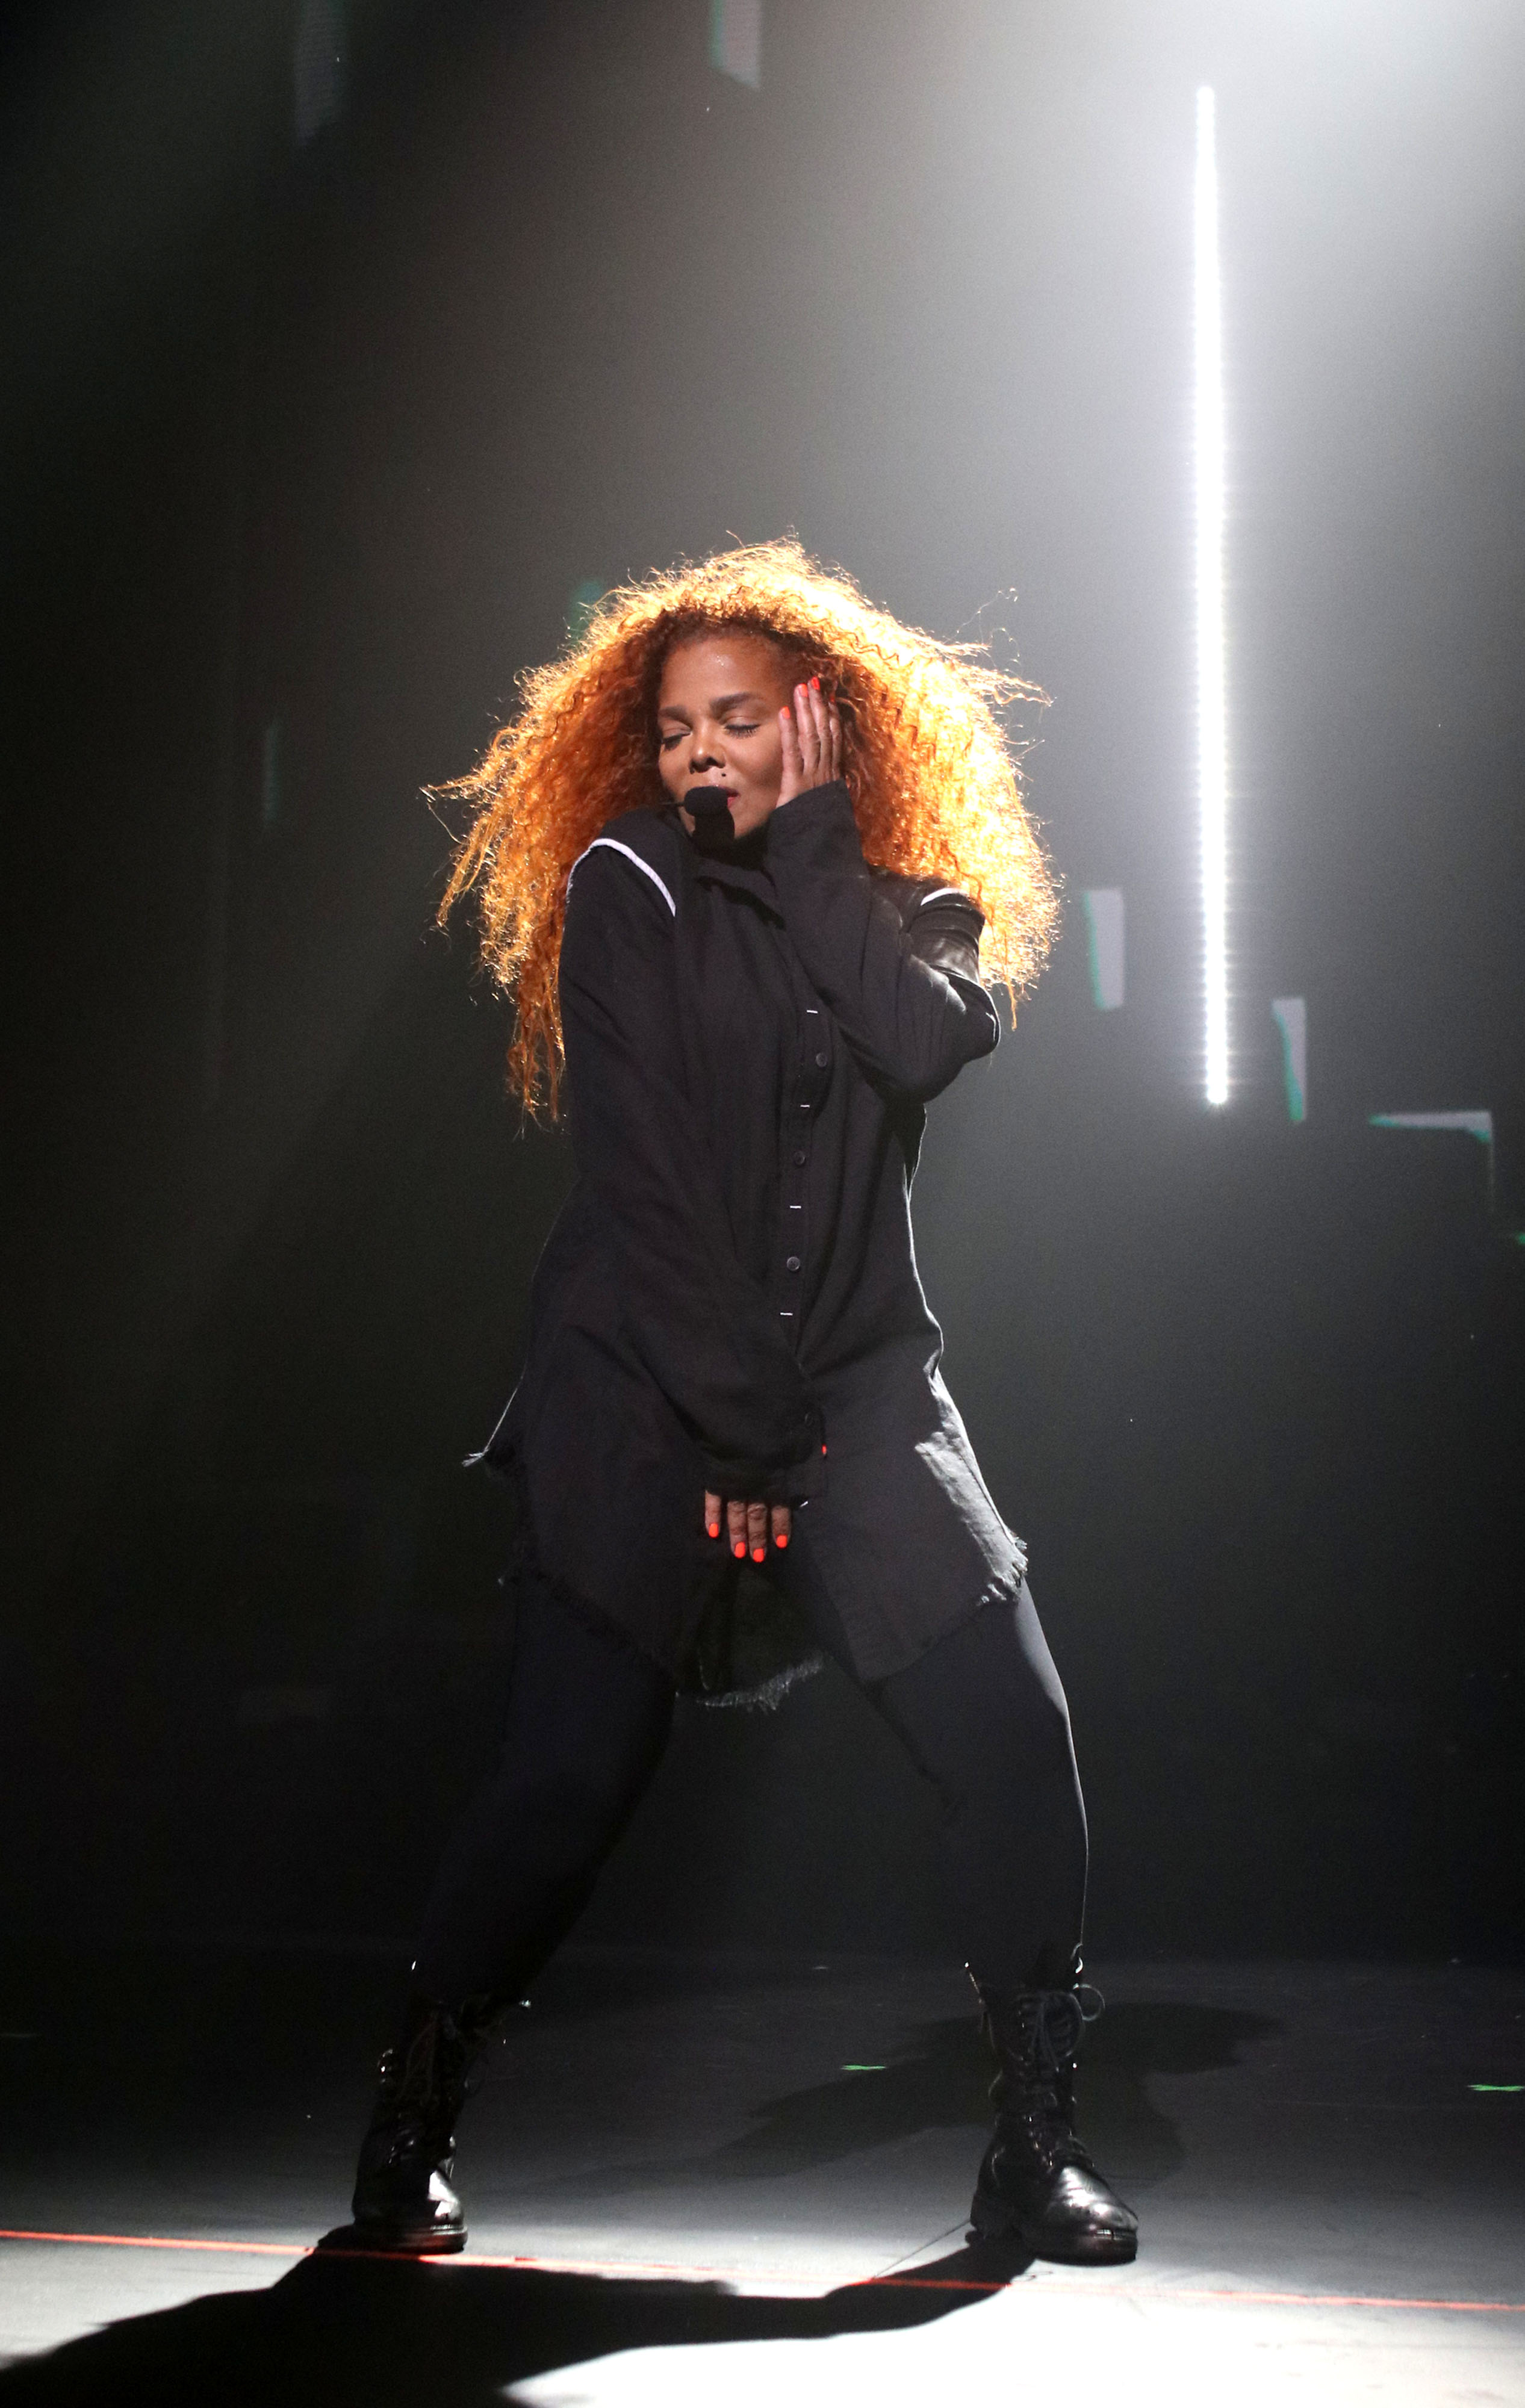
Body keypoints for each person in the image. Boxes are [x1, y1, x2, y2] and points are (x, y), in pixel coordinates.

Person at [346, 539, 1137, 2267]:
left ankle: (1031, 2148)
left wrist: (816, 853)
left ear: (818, 724)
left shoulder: (906, 903)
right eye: (674, 725)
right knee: (568, 1782)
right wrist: (737, 1433)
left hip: (858, 1390)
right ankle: (411, 2118)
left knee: (1017, 1739)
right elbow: (644, 1192)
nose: (696, 750)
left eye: (733, 720)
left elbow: (921, 1047)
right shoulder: (624, 887)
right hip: (643, 1387)